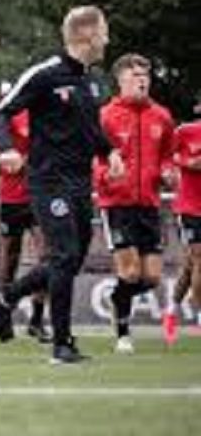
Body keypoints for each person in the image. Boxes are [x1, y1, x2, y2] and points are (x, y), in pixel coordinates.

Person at [0, 5, 124, 365]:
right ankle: (62, 345)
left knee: (71, 260)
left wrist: (109, 152)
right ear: (87, 35)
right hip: (47, 182)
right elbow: (0, 112)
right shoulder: (45, 74)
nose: (107, 38)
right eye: (104, 31)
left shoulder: (93, 82)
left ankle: (7, 296)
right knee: (63, 256)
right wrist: (3, 149)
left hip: (81, 184)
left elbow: (92, 130)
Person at [93, 54, 175, 354]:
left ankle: (117, 298)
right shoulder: (105, 115)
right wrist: (106, 175)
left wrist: (168, 172)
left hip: (149, 204)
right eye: (135, 74)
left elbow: (168, 154)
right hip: (117, 203)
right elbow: (94, 157)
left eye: (146, 74)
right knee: (129, 273)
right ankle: (123, 335)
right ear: (120, 80)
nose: (142, 79)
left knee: (151, 276)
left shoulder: (162, 116)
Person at [0, 108, 51, 343]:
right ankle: (2, 315)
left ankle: (36, 320)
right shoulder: (9, 119)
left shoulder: (49, 116)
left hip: (39, 198)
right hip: (11, 200)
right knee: (9, 260)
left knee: (48, 257)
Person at [162, 100, 201, 341]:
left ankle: (171, 310)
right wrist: (189, 163)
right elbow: (166, 156)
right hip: (189, 207)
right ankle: (199, 317)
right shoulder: (185, 131)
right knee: (200, 257)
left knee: (191, 267)